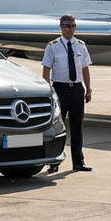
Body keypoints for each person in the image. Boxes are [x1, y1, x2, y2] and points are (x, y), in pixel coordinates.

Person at [42, 14, 92, 172]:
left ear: (75, 27)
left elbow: (85, 68)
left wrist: (88, 88)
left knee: (77, 127)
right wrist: (48, 92)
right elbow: (46, 70)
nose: (68, 29)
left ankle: (78, 161)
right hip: (60, 89)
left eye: (71, 26)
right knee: (58, 127)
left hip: (76, 88)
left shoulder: (81, 46)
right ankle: (54, 162)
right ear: (61, 27)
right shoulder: (53, 46)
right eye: (65, 26)